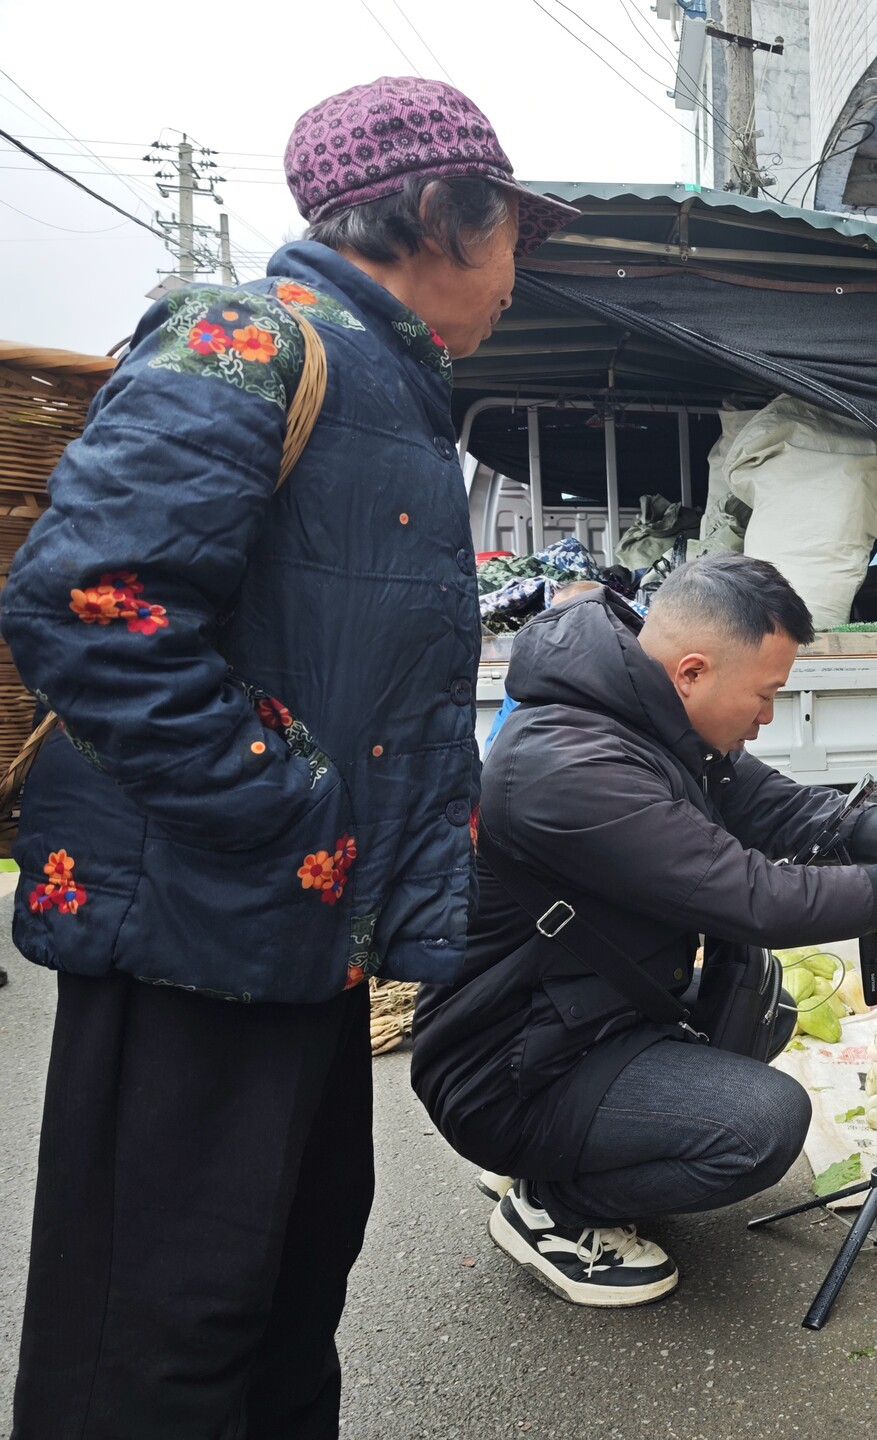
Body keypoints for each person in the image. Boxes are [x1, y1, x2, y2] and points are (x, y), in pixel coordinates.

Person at [5, 78, 578, 1438]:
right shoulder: (247, 342)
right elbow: (91, 604)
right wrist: (289, 809)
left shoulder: (396, 385)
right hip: (198, 934)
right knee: (162, 1338)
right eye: (514, 237)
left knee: (285, 1292)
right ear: (446, 212)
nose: (519, 274)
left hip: (306, 933)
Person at [411, 555, 877, 1307]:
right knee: (766, 1122)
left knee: (762, 1003)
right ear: (692, 671)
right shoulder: (570, 766)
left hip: (585, 1013)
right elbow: (753, 896)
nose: (768, 716)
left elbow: (775, 808)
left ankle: (567, 1155)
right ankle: (554, 1209)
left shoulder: (647, 712)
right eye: (765, 694)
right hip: (508, 1064)